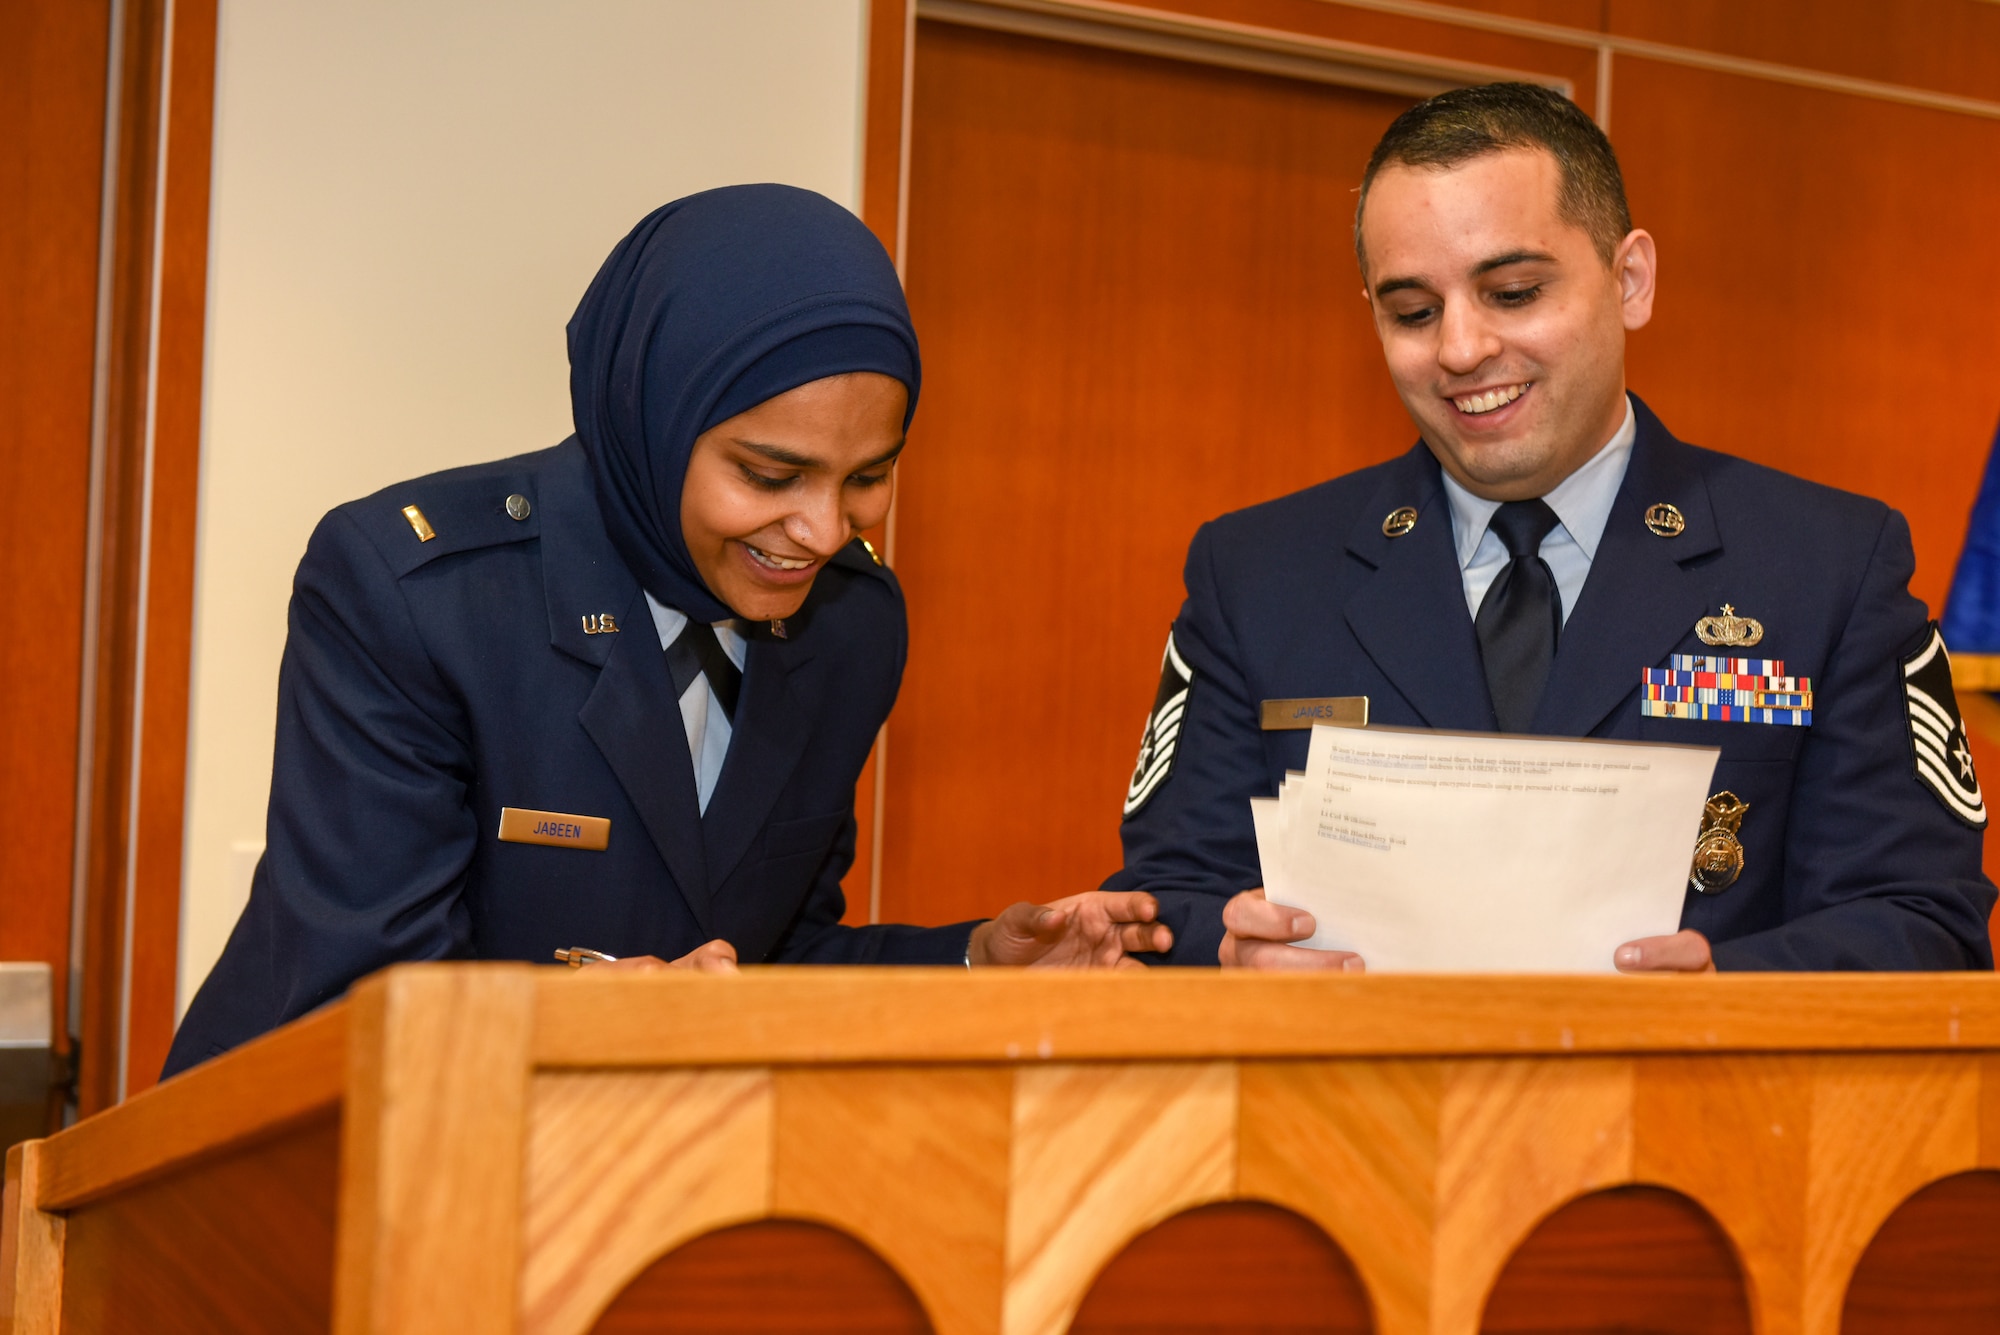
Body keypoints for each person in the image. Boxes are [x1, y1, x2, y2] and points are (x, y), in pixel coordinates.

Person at [166, 185, 1168, 1077]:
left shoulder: (850, 631)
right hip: (300, 1179)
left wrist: (972, 964)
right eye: (769, 476)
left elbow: (773, 962)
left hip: (615, 1181)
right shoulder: (415, 593)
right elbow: (361, 997)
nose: (823, 531)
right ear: (649, 415)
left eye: (867, 477)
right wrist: (593, 1020)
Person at [1105, 83, 1994, 972]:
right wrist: (1230, 950)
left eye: (1515, 291)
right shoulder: (1258, 575)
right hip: (1355, 1106)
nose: (1459, 349)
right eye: (1412, 311)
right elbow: (1164, 902)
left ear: (1630, 280)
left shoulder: (1825, 567)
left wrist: (1725, 996)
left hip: (1699, 1104)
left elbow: (1921, 922)